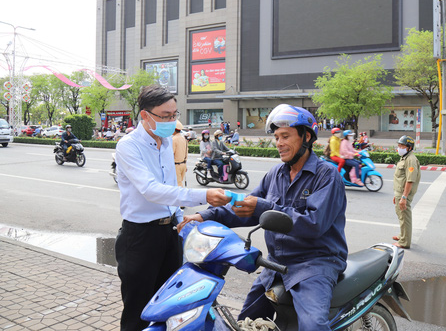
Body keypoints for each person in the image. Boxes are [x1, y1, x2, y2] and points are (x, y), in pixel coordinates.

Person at [179, 104, 347, 330]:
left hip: (315, 264)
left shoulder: (326, 176)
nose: (279, 143)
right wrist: (204, 215)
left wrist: (262, 206)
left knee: (313, 325)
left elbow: (313, 224)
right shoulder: (275, 174)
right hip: (276, 263)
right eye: (277, 137)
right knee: (245, 321)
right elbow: (246, 208)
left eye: (285, 136)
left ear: (306, 137)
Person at [114, 85, 229, 331]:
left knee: (170, 305)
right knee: (138, 310)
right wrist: (204, 194)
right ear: (145, 115)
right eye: (165, 116)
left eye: (174, 114)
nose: (171, 120)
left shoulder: (166, 141)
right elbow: (152, 190)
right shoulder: (128, 145)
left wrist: (180, 219)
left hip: (169, 233)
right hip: (140, 237)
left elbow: (170, 186)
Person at [392, 135, 421, 249]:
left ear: (409, 148)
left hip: (404, 193)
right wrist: (397, 195)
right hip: (400, 192)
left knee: (405, 216)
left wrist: (403, 197)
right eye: (398, 146)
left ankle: (405, 242)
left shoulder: (411, 160)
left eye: (401, 146)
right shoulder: (405, 157)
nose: (399, 148)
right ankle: (402, 235)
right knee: (401, 215)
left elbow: (410, 180)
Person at [172, 120, 188, 187]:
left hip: (176, 165)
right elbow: (186, 152)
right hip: (183, 164)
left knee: (178, 184)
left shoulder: (174, 139)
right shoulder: (184, 139)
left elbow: (172, 153)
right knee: (180, 182)